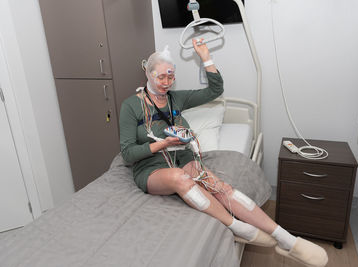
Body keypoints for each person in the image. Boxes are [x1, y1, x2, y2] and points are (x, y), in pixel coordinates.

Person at [119, 39, 328, 267]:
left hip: (183, 157)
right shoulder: (131, 106)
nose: (166, 83)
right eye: (160, 77)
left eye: (171, 77)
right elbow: (128, 154)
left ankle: (286, 238)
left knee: (220, 186)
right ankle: (236, 226)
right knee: (181, 179)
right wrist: (163, 144)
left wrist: (206, 57)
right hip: (152, 167)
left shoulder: (175, 99)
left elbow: (215, 90)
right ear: (148, 74)